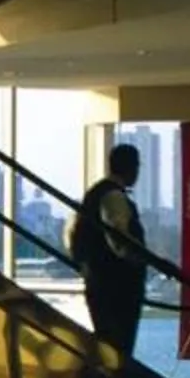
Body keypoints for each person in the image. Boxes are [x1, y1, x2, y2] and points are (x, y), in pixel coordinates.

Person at [68, 141, 164, 357]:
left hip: (99, 282)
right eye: (137, 166)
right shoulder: (114, 197)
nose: (138, 172)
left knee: (108, 346)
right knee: (120, 347)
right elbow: (120, 241)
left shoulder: (94, 194)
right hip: (118, 287)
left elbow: (73, 234)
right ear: (130, 167)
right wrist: (145, 260)